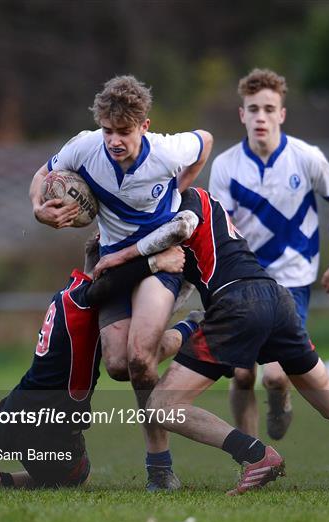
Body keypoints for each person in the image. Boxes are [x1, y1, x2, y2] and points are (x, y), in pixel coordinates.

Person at [94, 186, 329, 495]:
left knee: (162, 405)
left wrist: (111, 255)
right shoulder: (207, 202)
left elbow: (160, 255)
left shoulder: (181, 206)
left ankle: (256, 455)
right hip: (276, 298)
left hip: (238, 304)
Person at [29, 75, 213, 490]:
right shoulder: (85, 146)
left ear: (144, 126)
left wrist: (180, 192)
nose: (114, 140)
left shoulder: (165, 151)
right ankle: (191, 329)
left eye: (124, 132)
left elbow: (205, 140)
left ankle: (159, 467)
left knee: (140, 359)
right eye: (108, 130)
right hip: (112, 265)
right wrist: (39, 209)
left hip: (159, 260)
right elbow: (43, 173)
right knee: (117, 365)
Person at [0, 247, 188, 489]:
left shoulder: (69, 290)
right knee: (76, 477)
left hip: (13, 408)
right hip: (50, 427)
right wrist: (157, 265)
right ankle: (3, 480)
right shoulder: (89, 301)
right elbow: (137, 338)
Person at [208, 68, 329, 440]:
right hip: (245, 282)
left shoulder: (306, 157)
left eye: (269, 109)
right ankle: (251, 456)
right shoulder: (226, 166)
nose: (261, 117)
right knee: (242, 375)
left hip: (292, 282)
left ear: (282, 114)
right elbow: (220, 231)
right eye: (253, 109)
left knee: (273, 375)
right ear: (242, 114)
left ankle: (280, 400)